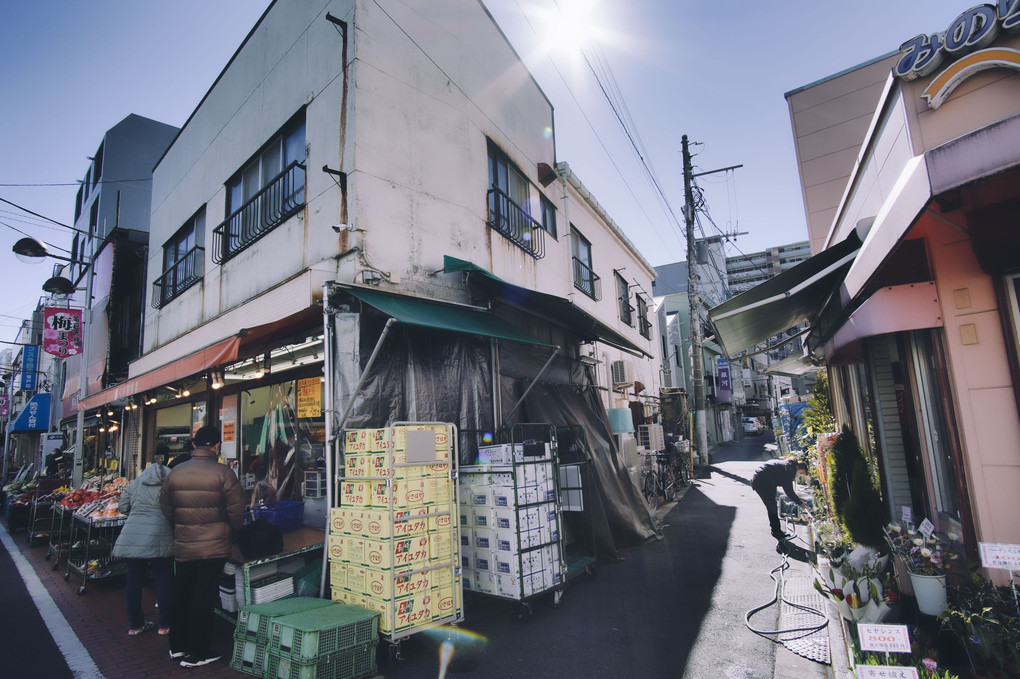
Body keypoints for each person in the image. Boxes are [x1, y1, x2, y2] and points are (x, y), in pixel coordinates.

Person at [160, 425, 244, 668]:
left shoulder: (175, 472)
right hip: (214, 545)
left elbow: (165, 508)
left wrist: (182, 525)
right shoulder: (224, 473)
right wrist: (232, 531)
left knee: (182, 594)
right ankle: (198, 652)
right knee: (204, 597)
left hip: (185, 544)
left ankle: (177, 646)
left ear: (195, 445)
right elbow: (237, 512)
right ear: (216, 446)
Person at [111, 459, 175, 636]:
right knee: (163, 579)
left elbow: (123, 506)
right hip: (161, 535)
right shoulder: (171, 482)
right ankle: (165, 624)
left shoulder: (137, 481)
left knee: (133, 581)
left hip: (134, 535)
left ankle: (135, 624)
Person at [750, 457, 810, 543]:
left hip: (762, 478)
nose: (799, 476)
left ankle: (776, 530)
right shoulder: (789, 471)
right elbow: (789, 491)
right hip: (762, 482)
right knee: (772, 508)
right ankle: (776, 532)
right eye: (801, 473)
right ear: (799, 468)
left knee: (772, 505)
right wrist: (800, 503)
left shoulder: (788, 465)